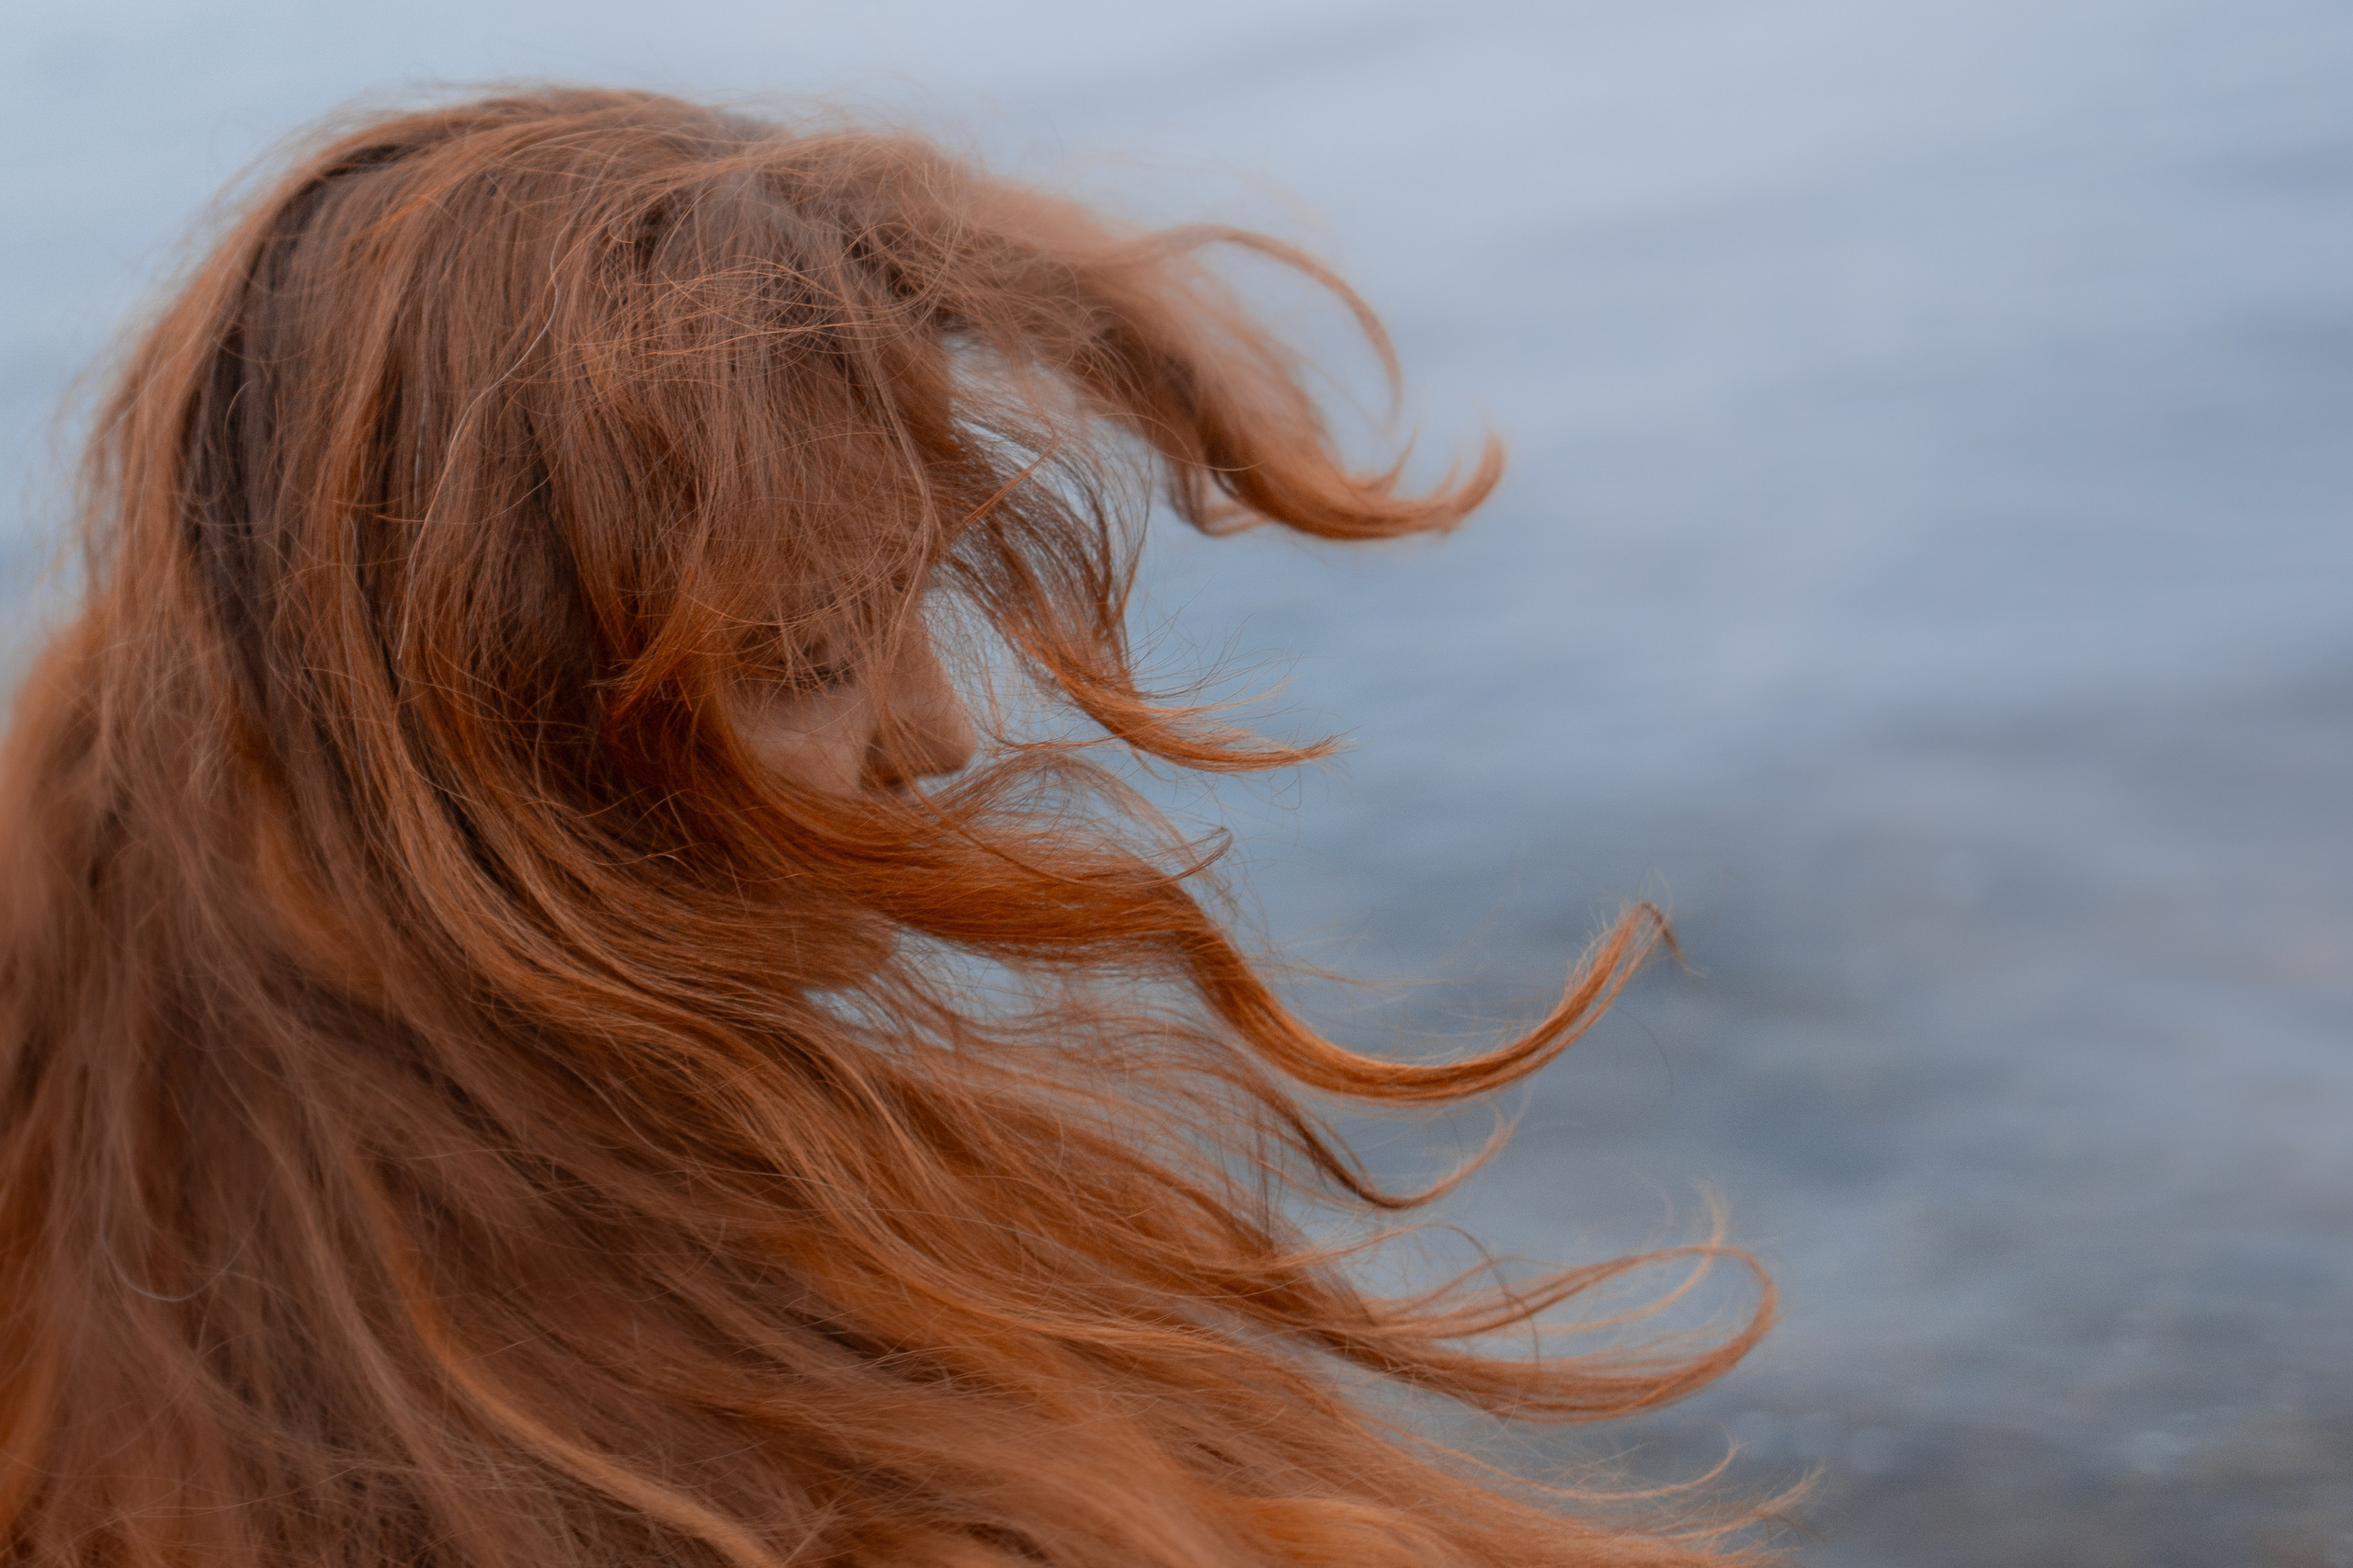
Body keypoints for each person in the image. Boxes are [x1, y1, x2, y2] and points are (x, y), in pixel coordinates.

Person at [0, 88, 1770, 1568]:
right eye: (807, 653)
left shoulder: (149, 851)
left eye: (911, 597)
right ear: (477, 744)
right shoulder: (676, 1462)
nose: (934, 733)